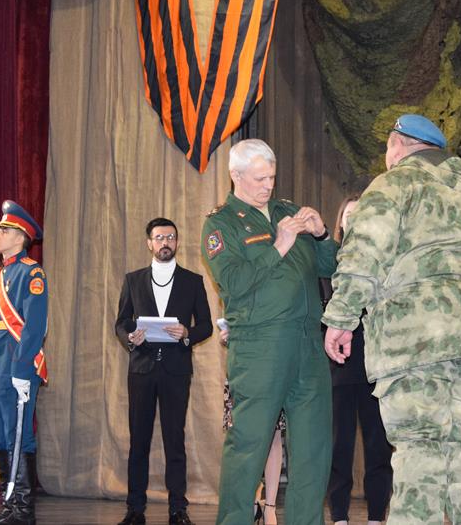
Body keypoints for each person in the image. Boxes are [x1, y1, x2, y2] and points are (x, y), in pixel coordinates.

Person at [323, 114, 461, 525]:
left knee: (420, 447)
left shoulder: (393, 186)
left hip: (416, 343)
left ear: (397, 145)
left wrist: (341, 319)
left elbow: (362, 258)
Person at [201, 139, 338, 525]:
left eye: (272, 177)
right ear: (235, 175)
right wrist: (279, 245)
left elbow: (331, 268)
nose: (268, 185)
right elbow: (233, 282)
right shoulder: (221, 223)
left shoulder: (288, 211)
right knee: (248, 445)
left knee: (313, 449)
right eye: (259, 178)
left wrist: (322, 235)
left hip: (308, 344)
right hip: (260, 346)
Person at [114, 218, 213, 525]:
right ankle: (135, 509)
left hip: (176, 370)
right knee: (139, 441)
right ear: (149, 243)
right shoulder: (133, 280)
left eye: (170, 237)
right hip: (142, 369)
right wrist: (130, 337)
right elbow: (121, 323)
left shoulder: (193, 281)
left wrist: (187, 332)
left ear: (177, 242)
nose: (165, 243)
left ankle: (178, 509)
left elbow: (206, 325)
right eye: (159, 238)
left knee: (175, 440)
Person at [0, 200, 50, 525]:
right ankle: (9, 506)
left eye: (3, 230)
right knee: (0, 438)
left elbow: (33, 327)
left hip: (17, 367)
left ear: (20, 237)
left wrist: (21, 370)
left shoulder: (32, 273)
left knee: (19, 436)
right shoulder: (0, 276)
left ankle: (23, 511)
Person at [321, 196, 392, 525]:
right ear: (341, 222)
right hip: (340, 366)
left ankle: (377, 515)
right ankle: (339, 515)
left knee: (379, 446)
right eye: (349, 214)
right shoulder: (330, 261)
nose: (354, 219)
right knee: (340, 445)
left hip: (377, 366)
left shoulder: (383, 259)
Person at [219, 326, 284, 525]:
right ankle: (252, 501)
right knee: (242, 437)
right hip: (242, 367)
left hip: (272, 363)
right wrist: (227, 335)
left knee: (273, 434)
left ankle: (270, 506)